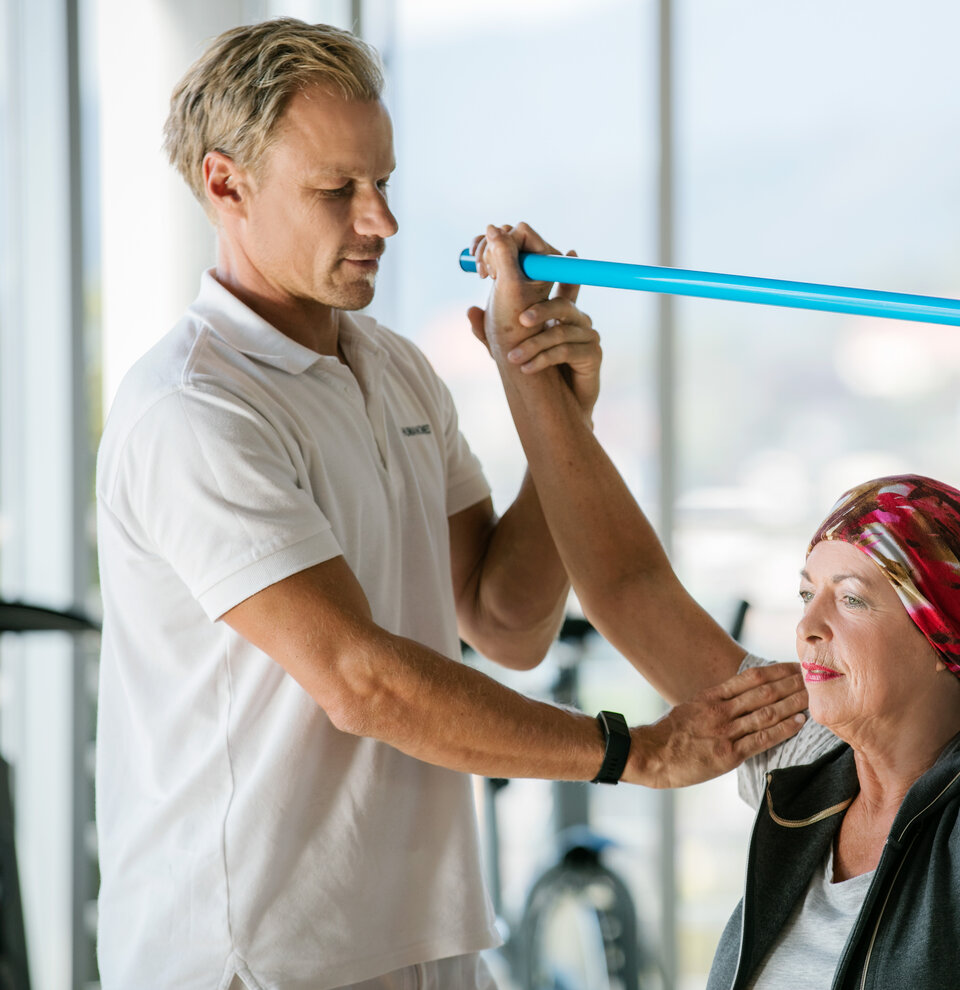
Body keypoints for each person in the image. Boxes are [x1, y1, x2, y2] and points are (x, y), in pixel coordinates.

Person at [94, 19, 806, 989]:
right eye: (336, 191)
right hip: (251, 951)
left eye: (383, 182)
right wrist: (633, 752)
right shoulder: (195, 408)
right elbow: (359, 679)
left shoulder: (392, 369)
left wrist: (554, 412)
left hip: (424, 929)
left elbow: (509, 622)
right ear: (226, 184)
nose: (379, 220)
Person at [469, 222, 960, 988]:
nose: (807, 627)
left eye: (852, 598)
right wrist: (525, 363)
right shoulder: (802, 754)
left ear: (944, 638)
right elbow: (628, 589)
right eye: (807, 592)